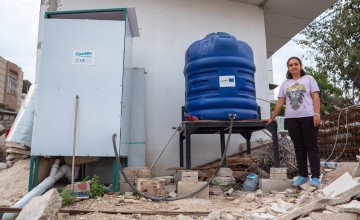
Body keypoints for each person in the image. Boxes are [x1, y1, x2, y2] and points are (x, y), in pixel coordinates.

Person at [268, 56, 321, 188]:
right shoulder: (285, 84)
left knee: (312, 146)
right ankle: (303, 175)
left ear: (301, 66)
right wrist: (272, 117)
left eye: (296, 64)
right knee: (299, 147)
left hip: (308, 117)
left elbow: (315, 97)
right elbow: (280, 102)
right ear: (288, 68)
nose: (293, 66)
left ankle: (315, 176)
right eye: (290, 65)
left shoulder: (309, 79)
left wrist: (317, 114)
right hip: (291, 119)